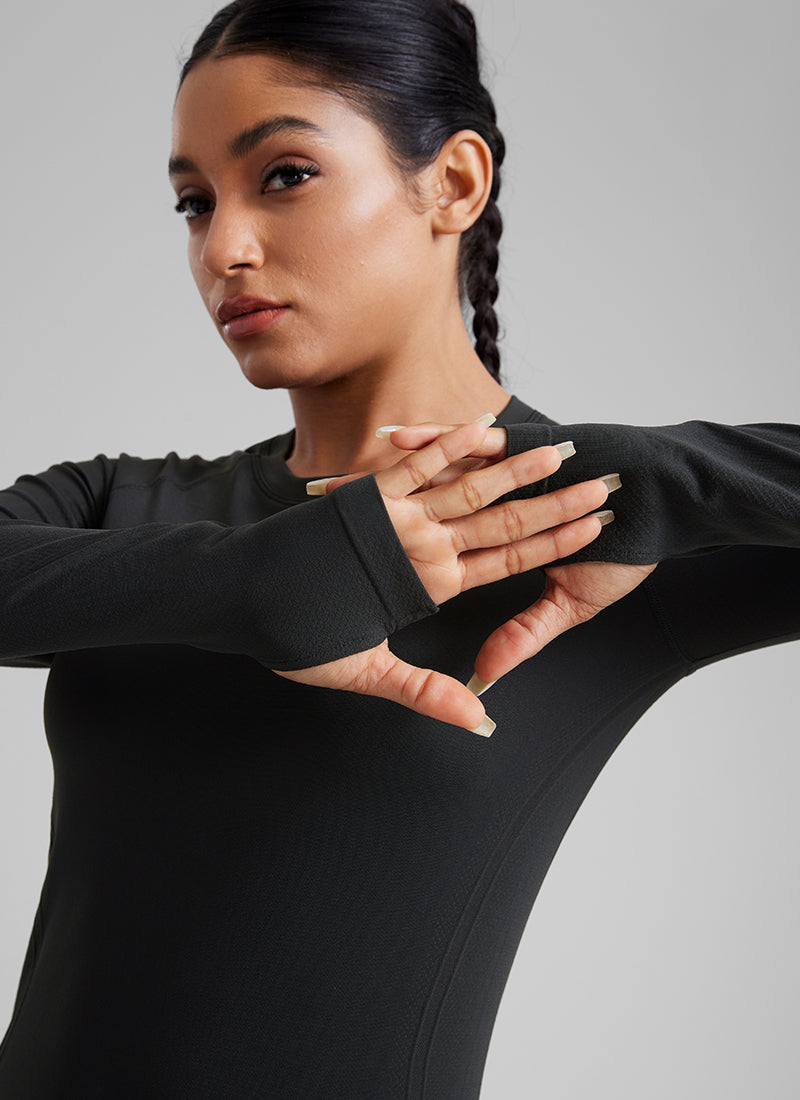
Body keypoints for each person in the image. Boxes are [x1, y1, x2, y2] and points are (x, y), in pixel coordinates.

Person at [0, 0, 797, 1096]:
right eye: (194, 202)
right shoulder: (123, 502)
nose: (222, 248)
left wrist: (657, 475)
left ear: (454, 184)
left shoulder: (583, 542)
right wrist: (252, 579)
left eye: (284, 174)